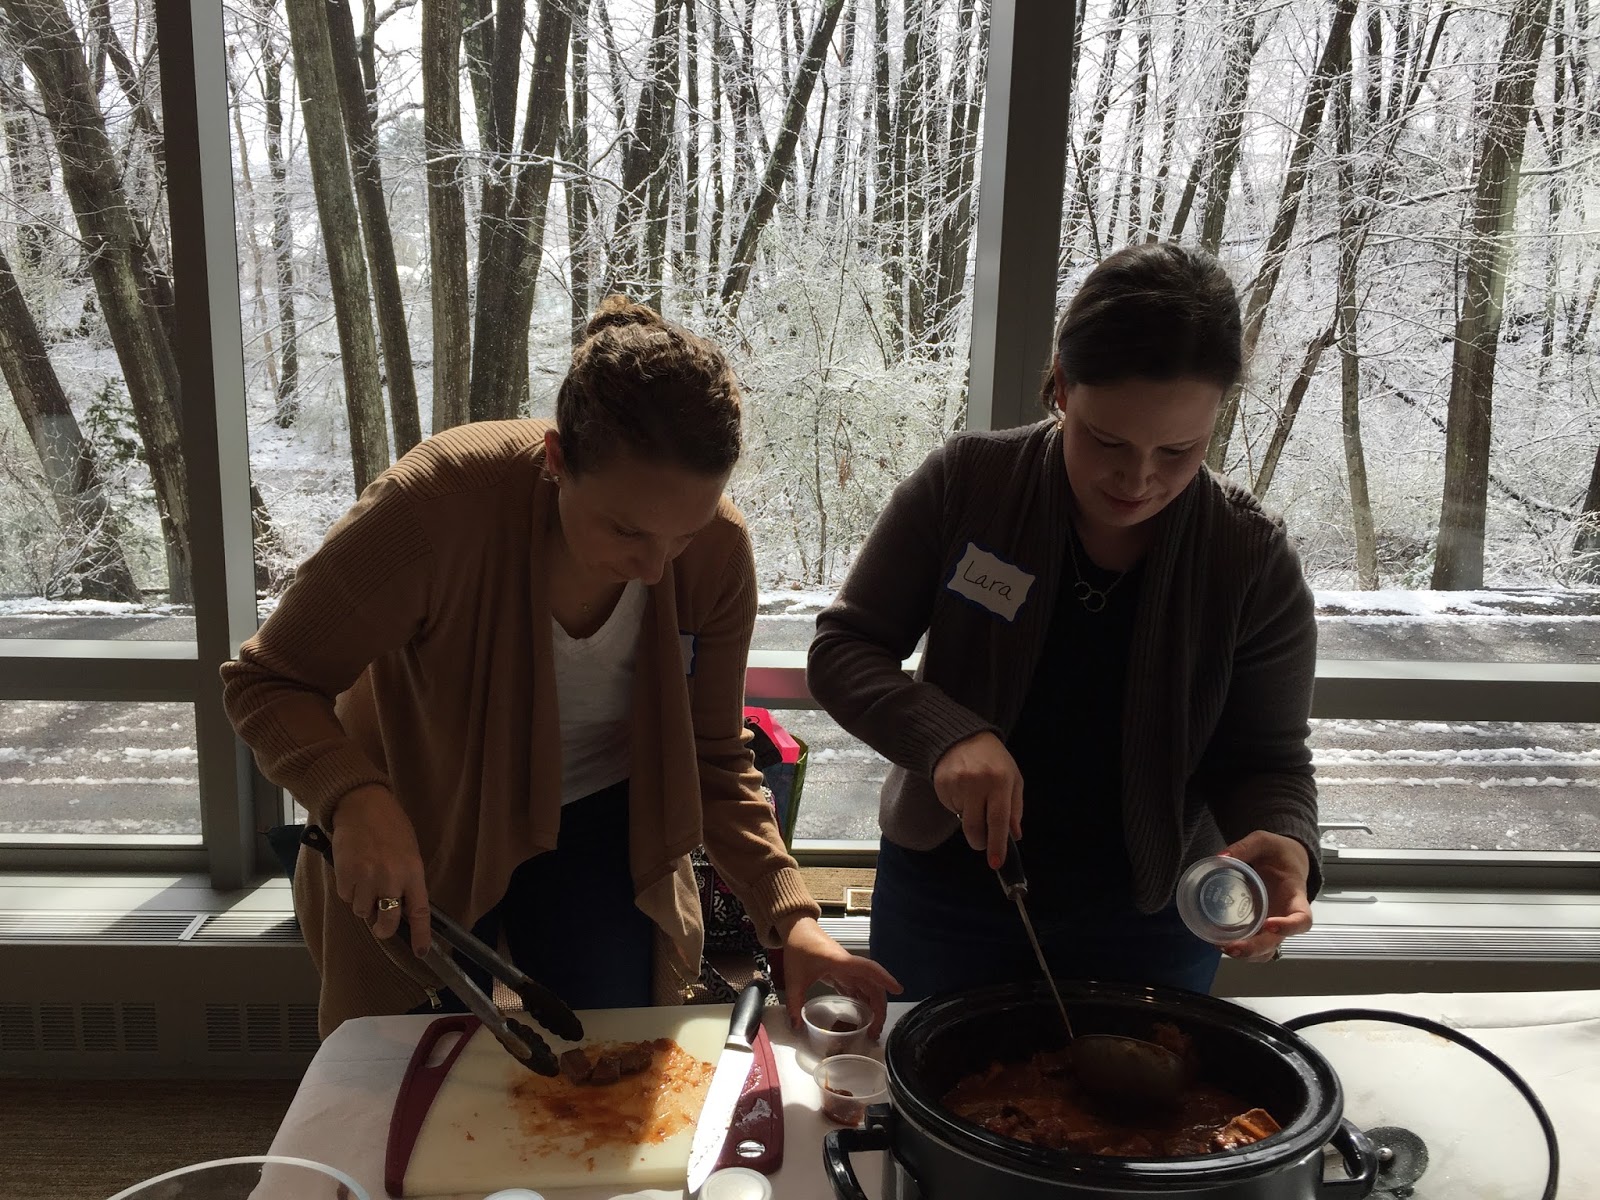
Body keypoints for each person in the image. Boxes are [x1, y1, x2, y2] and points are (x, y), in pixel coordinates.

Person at [223, 296, 899, 1036]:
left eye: (684, 534)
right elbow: (268, 680)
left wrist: (791, 916)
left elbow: (711, 757)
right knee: (406, 1056)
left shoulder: (716, 554)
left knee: (612, 1047)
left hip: (604, 817)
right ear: (556, 460)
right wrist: (355, 798)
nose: (655, 569)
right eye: (627, 532)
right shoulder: (436, 507)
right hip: (420, 807)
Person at [807, 244, 1318, 1000]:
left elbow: (1269, 760)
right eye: (1106, 440)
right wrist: (947, 736)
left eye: (1179, 450)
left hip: (1151, 923)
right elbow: (844, 650)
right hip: (948, 898)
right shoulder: (969, 485)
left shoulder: (1251, 559)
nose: (1138, 478)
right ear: (1061, 386)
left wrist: (1286, 841)